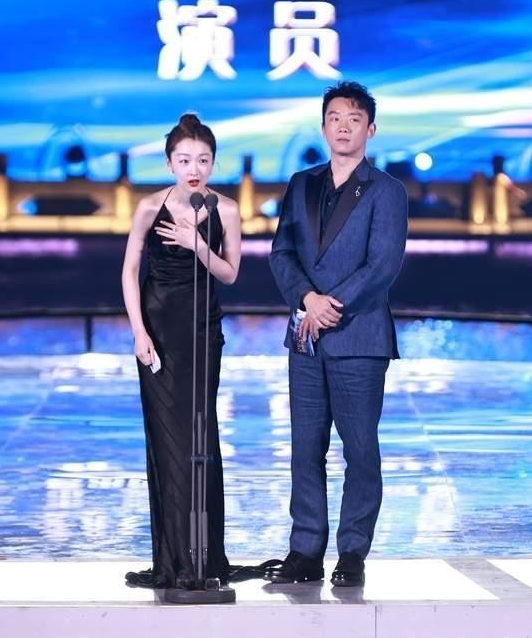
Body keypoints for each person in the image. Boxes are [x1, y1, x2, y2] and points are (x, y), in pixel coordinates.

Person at [266, 81, 408, 587]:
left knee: (360, 450)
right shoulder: (301, 184)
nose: (343, 127)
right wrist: (308, 299)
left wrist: (330, 306)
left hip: (359, 339)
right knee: (305, 448)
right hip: (305, 336)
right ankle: (305, 551)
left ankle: (352, 553)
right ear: (323, 126)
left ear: (370, 129)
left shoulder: (387, 191)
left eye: (354, 119)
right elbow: (282, 253)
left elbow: (382, 265)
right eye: (334, 118)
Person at [121, 113, 241, 589]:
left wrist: (197, 244)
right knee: (165, 440)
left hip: (201, 331)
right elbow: (130, 271)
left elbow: (230, 273)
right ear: (170, 162)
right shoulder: (150, 207)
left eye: (203, 160)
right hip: (158, 332)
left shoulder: (225, 209)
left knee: (199, 437)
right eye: (185, 160)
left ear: (213, 163)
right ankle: (170, 561)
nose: (195, 168)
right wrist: (138, 332)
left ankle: (203, 559)